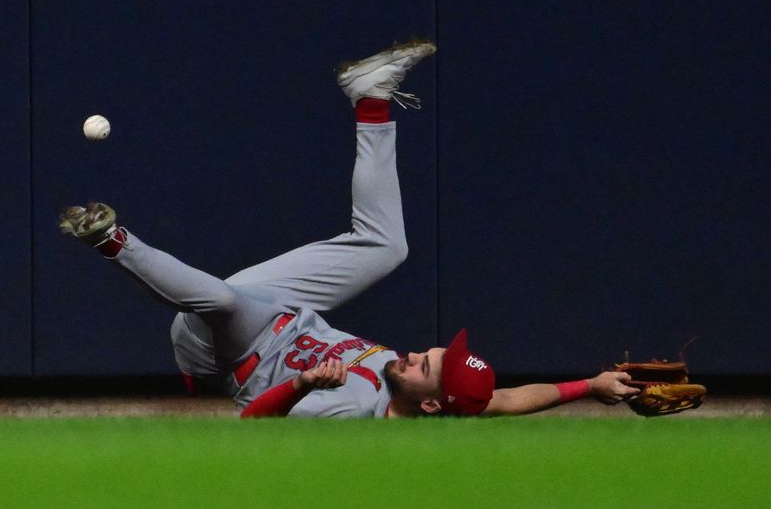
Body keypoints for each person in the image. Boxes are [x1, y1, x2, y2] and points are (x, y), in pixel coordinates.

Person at [59, 41, 639, 418]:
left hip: (222, 352)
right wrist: (590, 384)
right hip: (283, 311)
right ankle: (371, 100)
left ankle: (108, 238)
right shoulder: (449, 396)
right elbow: (508, 399)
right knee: (387, 246)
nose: (412, 354)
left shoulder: (355, 408)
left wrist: (306, 385)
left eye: (424, 366)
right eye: (428, 353)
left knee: (219, 297)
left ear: (432, 404)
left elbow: (251, 420)